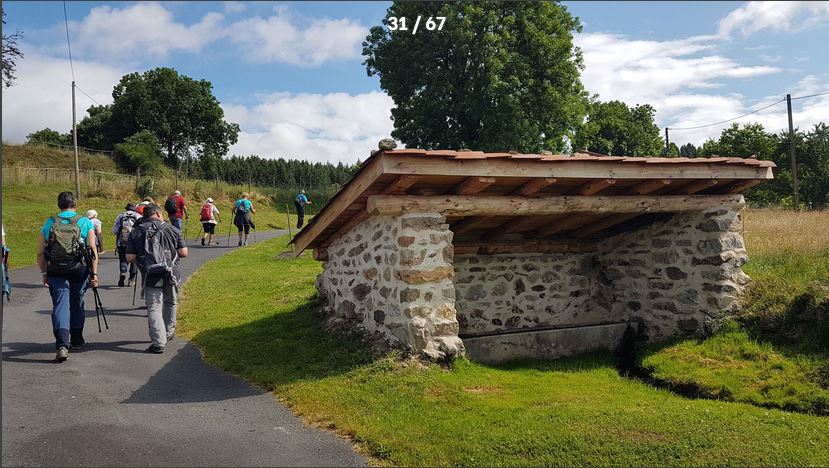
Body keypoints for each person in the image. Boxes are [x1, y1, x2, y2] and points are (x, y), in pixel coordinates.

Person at [37, 191, 99, 362]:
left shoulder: (50, 222)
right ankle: (77, 339)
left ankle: (62, 344)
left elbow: (40, 252)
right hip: (78, 269)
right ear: (75, 204)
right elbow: (92, 250)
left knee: (60, 304)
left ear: (59, 205)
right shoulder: (85, 222)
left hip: (56, 270)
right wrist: (94, 274)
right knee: (77, 300)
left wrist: (44, 273)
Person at [126, 203, 188, 354]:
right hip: (171, 273)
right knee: (171, 302)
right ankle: (168, 332)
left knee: (154, 307)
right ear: (159, 214)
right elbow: (183, 252)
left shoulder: (136, 232)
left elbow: (129, 257)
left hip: (150, 274)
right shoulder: (172, 229)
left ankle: (158, 342)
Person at [112, 202, 139, 287]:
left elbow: (115, 230)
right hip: (135, 243)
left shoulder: (120, 216)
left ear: (126, 208)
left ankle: (123, 273)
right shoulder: (138, 216)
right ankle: (131, 279)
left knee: (123, 259)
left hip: (122, 242)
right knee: (134, 260)